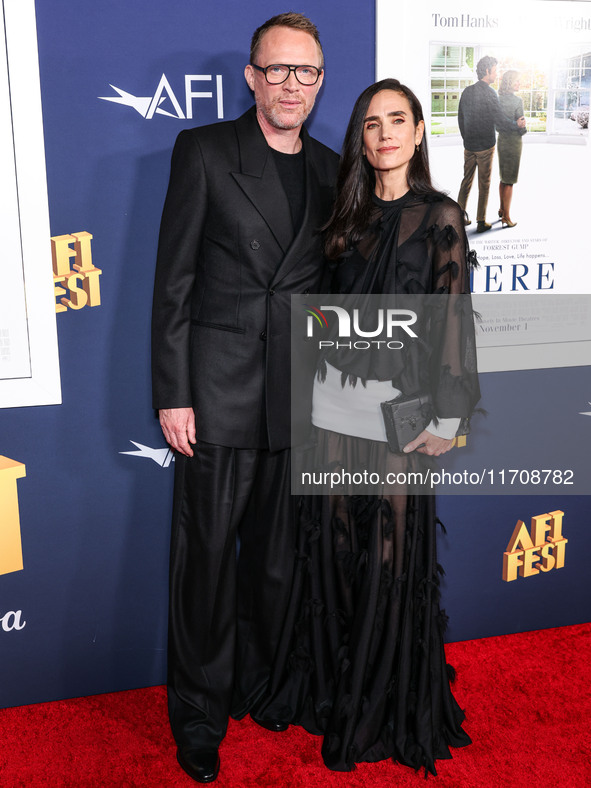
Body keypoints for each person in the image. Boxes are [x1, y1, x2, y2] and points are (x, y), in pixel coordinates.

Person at [256, 79, 480, 776]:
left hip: (401, 423)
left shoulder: (440, 216)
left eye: (397, 120)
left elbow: (451, 323)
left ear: (417, 132)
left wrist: (448, 415)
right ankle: (333, 691)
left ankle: (381, 705)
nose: (384, 133)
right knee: (336, 559)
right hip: (330, 414)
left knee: (388, 559)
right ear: (360, 137)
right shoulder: (342, 218)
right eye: (371, 123)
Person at [151, 12, 338, 783]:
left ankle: (262, 686)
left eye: (307, 72)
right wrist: (174, 391)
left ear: (318, 82)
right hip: (217, 396)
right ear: (252, 77)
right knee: (206, 567)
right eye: (278, 70)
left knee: (275, 566)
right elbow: (174, 282)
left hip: (300, 401)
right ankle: (198, 711)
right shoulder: (203, 150)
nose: (291, 85)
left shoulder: (332, 169)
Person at [457, 55, 526, 233]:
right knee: (484, 184)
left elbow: (461, 118)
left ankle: (458, 217)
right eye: (495, 71)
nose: (496, 74)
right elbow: (500, 120)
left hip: (469, 146)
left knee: (466, 181)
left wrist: (466, 139)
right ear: (487, 71)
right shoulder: (490, 93)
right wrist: (516, 125)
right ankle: (481, 222)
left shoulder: (467, 91)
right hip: (486, 147)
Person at [497, 70, 526, 227]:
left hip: (501, 141)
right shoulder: (517, 101)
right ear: (510, 82)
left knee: (503, 178)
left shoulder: (497, 99)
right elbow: (520, 122)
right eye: (517, 81)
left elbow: (497, 124)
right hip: (514, 142)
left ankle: (502, 209)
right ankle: (506, 217)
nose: (519, 84)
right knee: (510, 181)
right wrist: (522, 128)